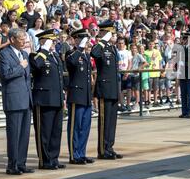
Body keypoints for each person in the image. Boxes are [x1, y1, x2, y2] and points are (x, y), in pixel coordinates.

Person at [29, 29, 66, 170]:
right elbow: (36, 65)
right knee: (44, 132)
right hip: (43, 99)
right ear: (43, 41)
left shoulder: (55, 56)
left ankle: (53, 158)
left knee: (56, 132)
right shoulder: (36, 55)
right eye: (51, 41)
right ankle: (44, 160)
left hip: (56, 98)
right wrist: (44, 49)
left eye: (54, 41)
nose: (54, 43)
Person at [0, 28, 34, 175]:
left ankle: (21, 163)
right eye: (21, 39)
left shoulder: (24, 54)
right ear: (12, 39)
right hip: (14, 99)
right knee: (14, 134)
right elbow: (6, 75)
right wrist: (21, 66)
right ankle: (12, 165)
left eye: (24, 38)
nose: (24, 41)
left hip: (26, 99)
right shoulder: (4, 54)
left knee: (24, 134)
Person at [90, 21, 123, 159]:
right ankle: (103, 150)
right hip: (104, 88)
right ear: (103, 32)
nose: (112, 35)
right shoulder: (100, 46)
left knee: (111, 121)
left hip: (113, 88)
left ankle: (109, 147)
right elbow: (94, 53)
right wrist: (102, 39)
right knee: (104, 121)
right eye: (109, 33)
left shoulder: (112, 47)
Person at [66, 29, 94, 165]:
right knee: (75, 127)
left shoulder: (86, 55)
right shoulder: (71, 53)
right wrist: (80, 48)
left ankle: (81, 153)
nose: (86, 42)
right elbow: (71, 63)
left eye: (86, 39)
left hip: (86, 96)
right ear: (76, 40)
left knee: (85, 127)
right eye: (82, 39)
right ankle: (74, 155)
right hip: (76, 95)